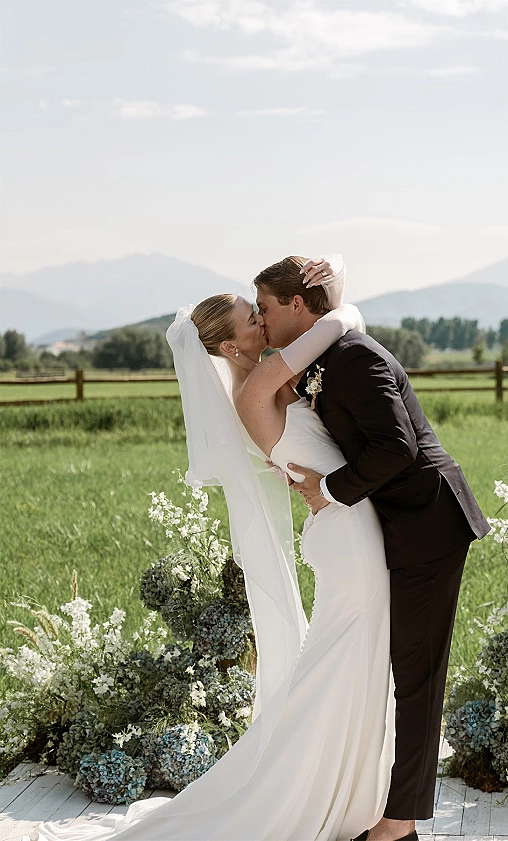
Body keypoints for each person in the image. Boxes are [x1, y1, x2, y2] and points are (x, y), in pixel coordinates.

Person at [28, 256, 396, 841]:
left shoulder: (268, 377)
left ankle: (347, 793)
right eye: (252, 317)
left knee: (351, 664)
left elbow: (326, 335)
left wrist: (322, 292)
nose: (263, 321)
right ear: (229, 347)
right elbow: (340, 323)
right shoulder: (255, 388)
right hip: (347, 538)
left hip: (347, 527)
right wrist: (336, 289)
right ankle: (318, 795)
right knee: (343, 665)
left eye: (262, 310)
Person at [253, 257, 490, 841]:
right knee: (406, 670)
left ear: (297, 305)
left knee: (418, 675)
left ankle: (398, 826)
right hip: (404, 527)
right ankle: (389, 812)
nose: (260, 319)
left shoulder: (354, 357)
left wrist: (329, 490)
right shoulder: (330, 355)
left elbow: (398, 447)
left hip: (429, 525)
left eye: (264, 308)